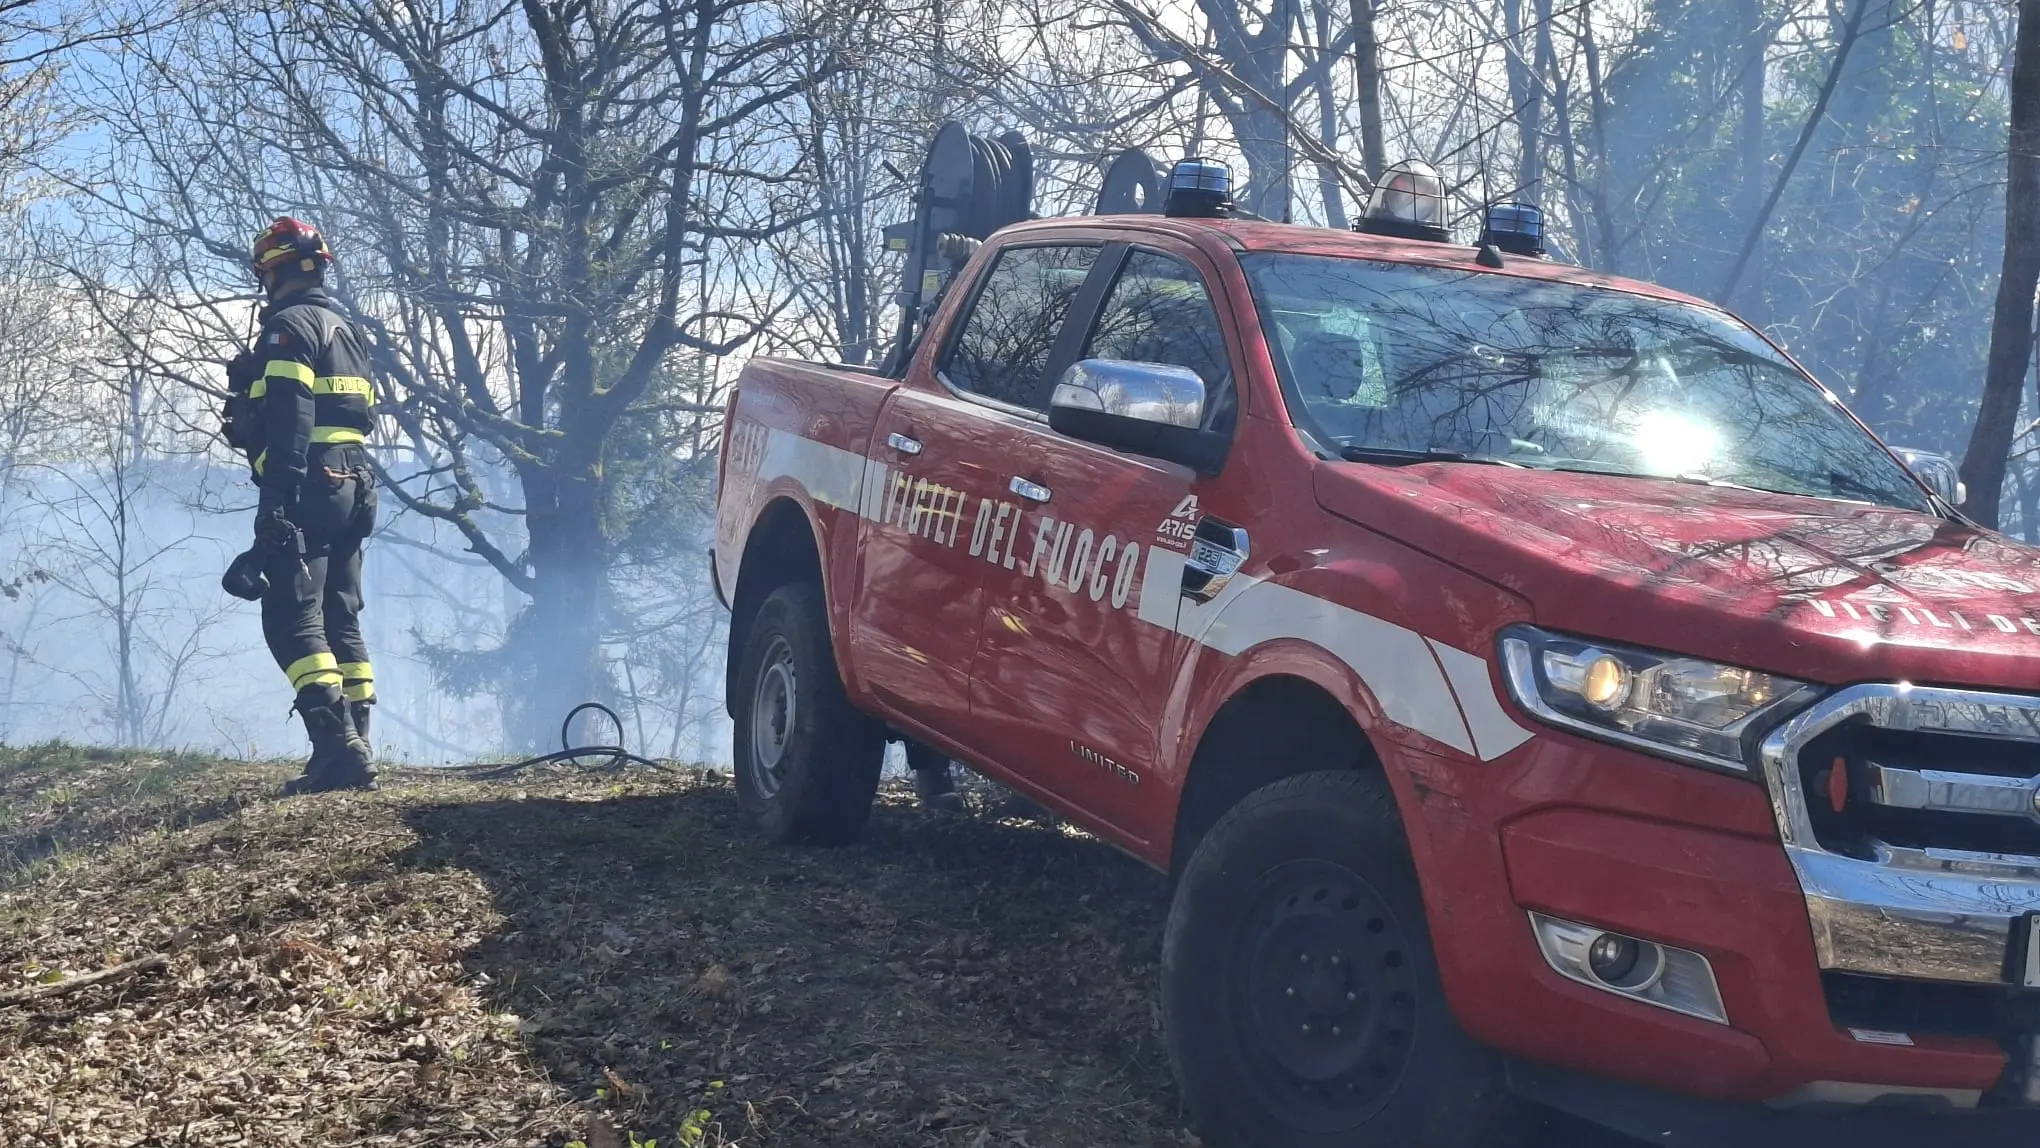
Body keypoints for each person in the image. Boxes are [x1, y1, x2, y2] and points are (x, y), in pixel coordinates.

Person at [225, 217, 381, 794]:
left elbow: (293, 417)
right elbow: (350, 414)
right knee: (341, 616)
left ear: (272, 271)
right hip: (356, 484)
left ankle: (339, 750)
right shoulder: (346, 330)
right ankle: (355, 744)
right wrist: (251, 397)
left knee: (291, 616)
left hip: (308, 485)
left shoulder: (287, 327)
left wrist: (275, 503)